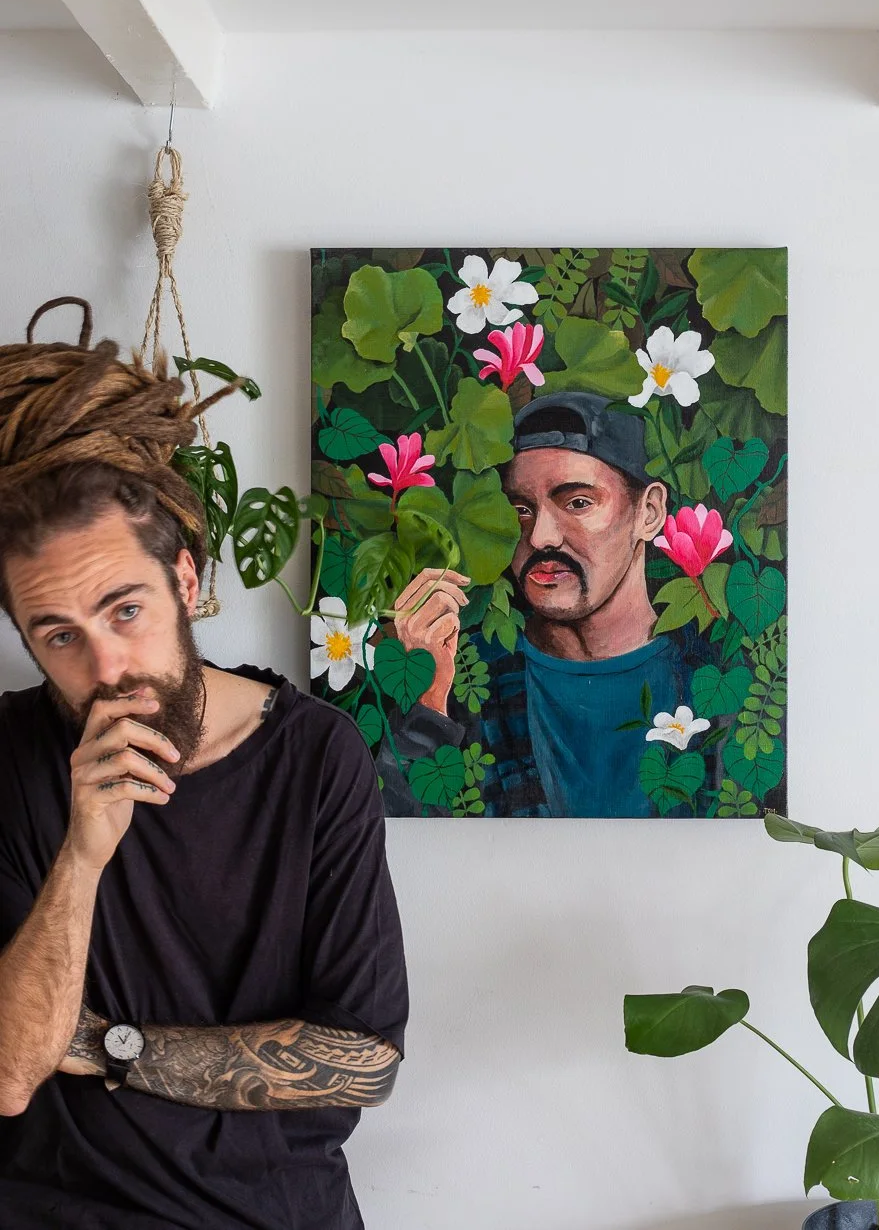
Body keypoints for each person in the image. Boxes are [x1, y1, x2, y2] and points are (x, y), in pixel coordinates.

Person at [0, 303, 407, 1229]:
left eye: (125, 610)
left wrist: (112, 1047)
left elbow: (364, 1060)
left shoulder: (316, 758)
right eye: (58, 635)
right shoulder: (10, 759)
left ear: (185, 581)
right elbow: (11, 1074)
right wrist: (84, 853)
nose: (105, 669)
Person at [380, 391, 718, 818]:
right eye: (521, 509)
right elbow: (395, 838)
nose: (541, 537)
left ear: (649, 513)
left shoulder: (712, 679)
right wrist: (428, 705)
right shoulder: (463, 675)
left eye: (578, 502)